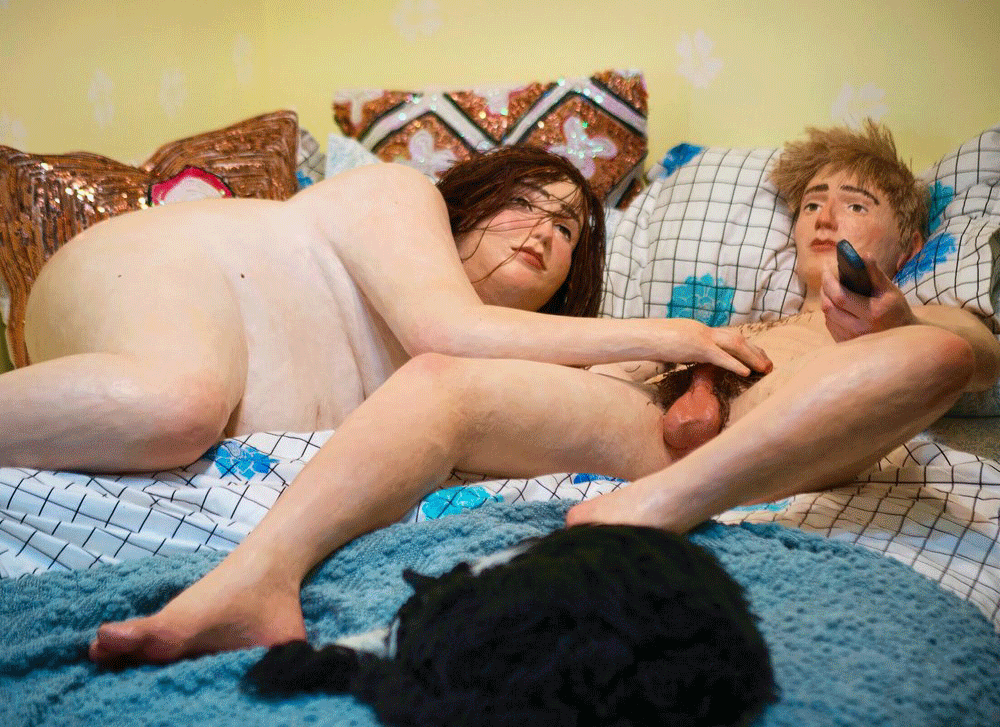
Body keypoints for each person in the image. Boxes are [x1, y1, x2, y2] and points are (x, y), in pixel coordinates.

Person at [87, 120, 1000, 667]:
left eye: (856, 204)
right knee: (443, 381)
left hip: (790, 437)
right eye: (813, 204)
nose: (828, 215)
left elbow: (978, 359)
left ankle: (657, 510)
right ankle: (255, 579)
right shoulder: (733, 321)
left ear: (905, 235)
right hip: (643, 423)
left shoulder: (923, 307)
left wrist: (892, 321)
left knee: (931, 360)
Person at [0, 145, 768, 473]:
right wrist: (673, 332)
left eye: (566, 230)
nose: (541, 230)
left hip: (205, 358)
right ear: (466, 207)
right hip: (155, 270)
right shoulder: (400, 194)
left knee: (184, 408)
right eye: (524, 203)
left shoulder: (503, 365)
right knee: (178, 404)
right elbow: (446, 327)